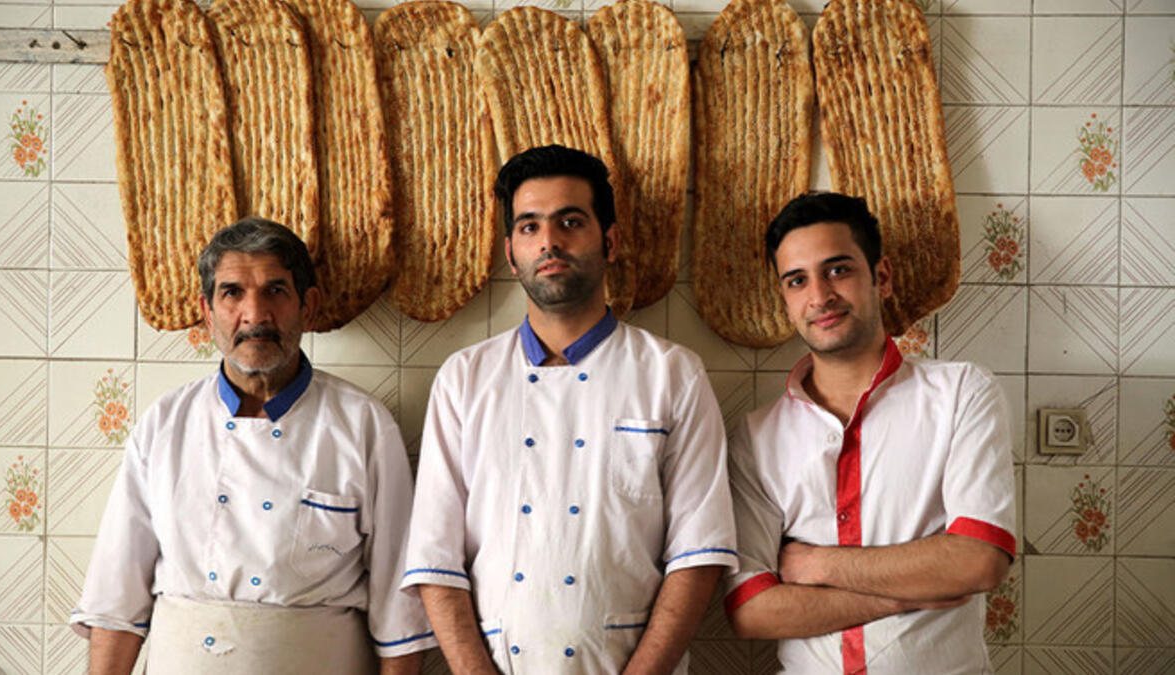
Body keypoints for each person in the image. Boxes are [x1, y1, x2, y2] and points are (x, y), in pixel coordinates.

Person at [402, 145, 737, 674]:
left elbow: (698, 556)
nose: (549, 241)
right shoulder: (464, 379)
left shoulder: (673, 373)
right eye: (529, 226)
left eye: (570, 221)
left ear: (610, 241)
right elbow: (434, 562)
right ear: (511, 252)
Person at [69, 218, 434, 674]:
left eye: (275, 291)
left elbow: (399, 614)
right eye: (232, 293)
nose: (255, 314)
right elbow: (115, 602)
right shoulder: (164, 425)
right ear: (207, 312)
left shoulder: (363, 425)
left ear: (309, 306)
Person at [725, 192, 1016, 673]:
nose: (820, 296)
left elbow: (978, 562)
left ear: (880, 277)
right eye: (797, 281)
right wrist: (903, 594)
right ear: (785, 298)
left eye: (838, 270)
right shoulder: (757, 437)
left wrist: (816, 565)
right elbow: (752, 610)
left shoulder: (962, 393)